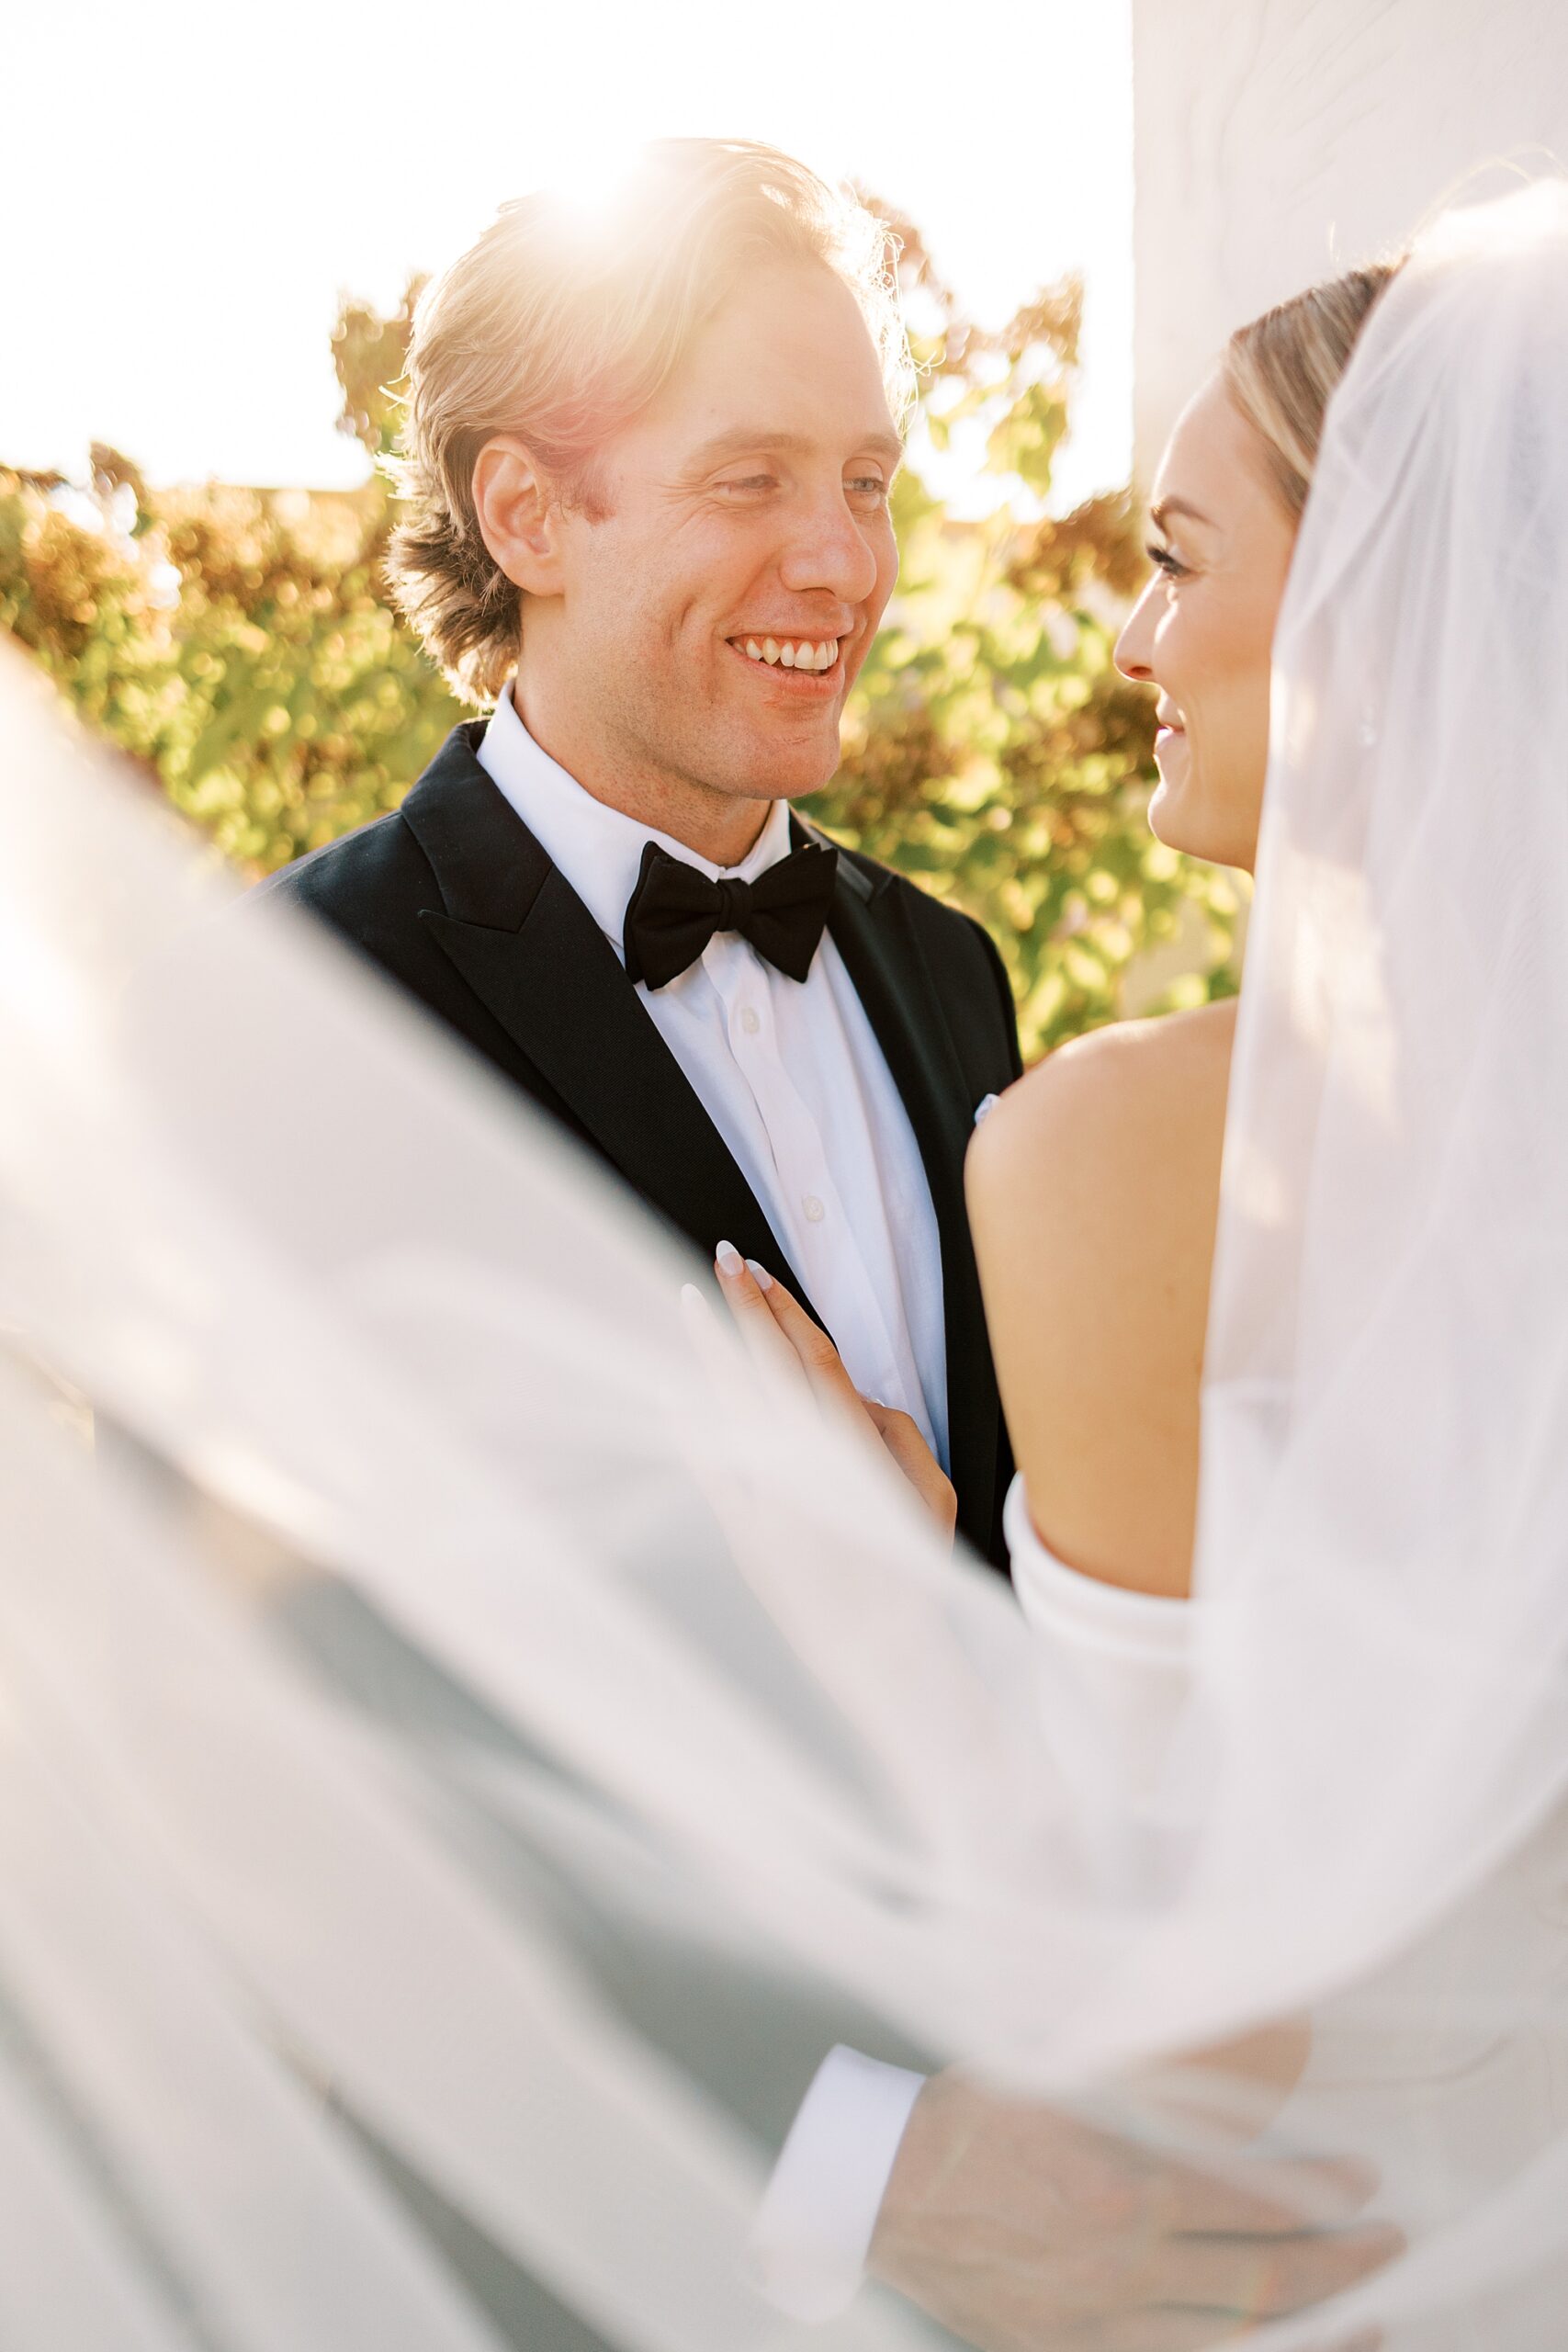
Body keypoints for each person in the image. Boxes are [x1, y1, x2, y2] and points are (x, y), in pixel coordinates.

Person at [730, 187, 1568, 2342]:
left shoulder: (1124, 1153)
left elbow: (1179, 2070)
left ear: (1381, 617)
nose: (1124, 638)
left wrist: (892, 1628)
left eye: (1180, 559)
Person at [254, 141, 1021, 1566]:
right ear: (528, 515)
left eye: (865, 480)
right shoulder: (287, 1004)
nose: (847, 565)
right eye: (750, 479)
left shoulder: (952, 975)